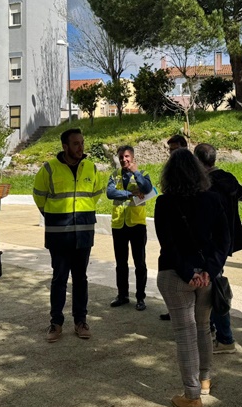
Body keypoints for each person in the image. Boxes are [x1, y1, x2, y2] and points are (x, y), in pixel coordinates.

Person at [154, 148, 230, 407]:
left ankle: (191, 395)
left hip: (176, 274)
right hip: (207, 276)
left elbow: (168, 244)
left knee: (185, 333)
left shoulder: (164, 203)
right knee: (203, 328)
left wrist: (189, 273)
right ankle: (205, 379)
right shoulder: (213, 199)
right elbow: (224, 240)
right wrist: (209, 269)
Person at [33, 128, 105, 342]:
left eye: (82, 142)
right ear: (65, 146)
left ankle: (80, 321)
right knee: (59, 279)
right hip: (59, 235)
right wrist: (53, 216)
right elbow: (39, 196)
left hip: (83, 234)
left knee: (81, 279)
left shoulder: (91, 167)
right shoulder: (49, 169)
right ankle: (56, 323)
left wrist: (81, 214)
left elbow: (96, 193)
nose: (80, 147)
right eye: (75, 143)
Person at [193, 143, 242, 354]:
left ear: (198, 161)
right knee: (214, 285)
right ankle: (213, 330)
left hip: (210, 244)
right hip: (226, 241)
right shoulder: (228, 178)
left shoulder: (205, 184)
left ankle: (225, 337)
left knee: (213, 288)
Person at [107, 145, 153, 311]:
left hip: (137, 224)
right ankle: (122, 295)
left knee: (139, 263)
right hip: (119, 223)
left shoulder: (143, 173)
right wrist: (130, 194)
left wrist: (136, 173)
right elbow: (110, 193)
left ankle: (140, 297)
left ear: (132, 157)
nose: (124, 160)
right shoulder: (114, 175)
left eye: (126, 156)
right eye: (121, 157)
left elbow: (147, 189)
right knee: (121, 263)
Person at [160, 134, 188, 321]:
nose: (172, 154)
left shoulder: (191, 167)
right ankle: (174, 309)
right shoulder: (170, 171)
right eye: (170, 150)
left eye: (175, 150)